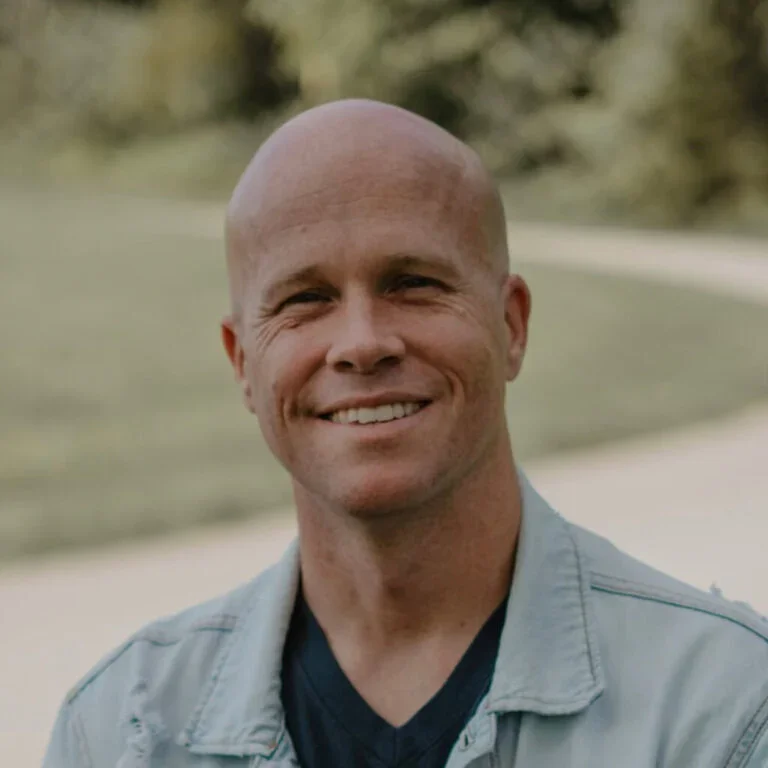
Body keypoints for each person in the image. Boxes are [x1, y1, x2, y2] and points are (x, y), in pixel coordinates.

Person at [44, 100, 768, 768]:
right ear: (243, 365)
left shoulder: (722, 709)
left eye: (413, 282)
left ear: (511, 325)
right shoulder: (120, 733)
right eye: (306, 299)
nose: (362, 343)